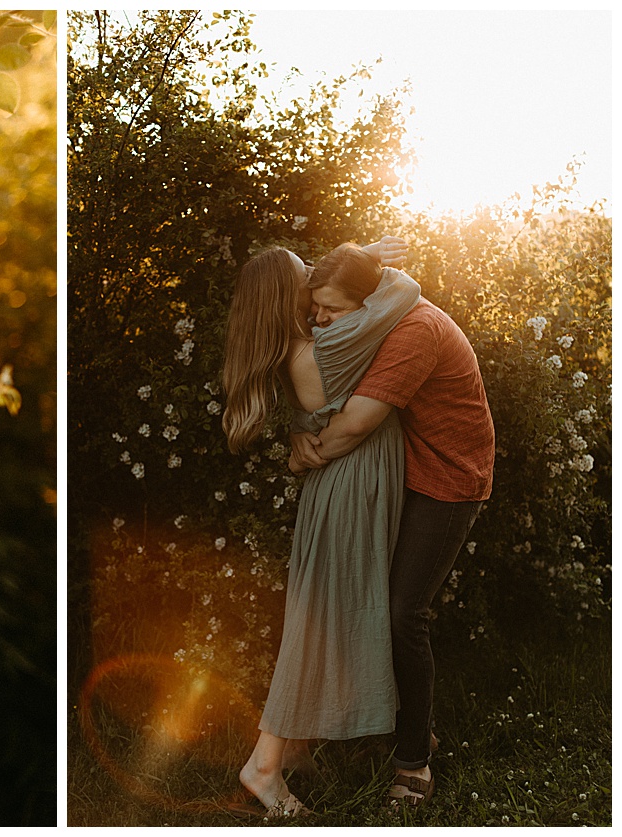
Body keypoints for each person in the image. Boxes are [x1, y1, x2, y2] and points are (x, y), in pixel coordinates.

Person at [289, 242, 495, 808]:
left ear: (368, 304)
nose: (320, 319)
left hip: (447, 480)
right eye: (315, 309)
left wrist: (301, 457)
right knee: (372, 598)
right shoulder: (380, 317)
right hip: (406, 467)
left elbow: (355, 423)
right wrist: (296, 428)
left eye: (330, 308)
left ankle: (414, 764)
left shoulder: (413, 332)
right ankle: (396, 726)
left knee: (405, 611)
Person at [220, 239, 416, 817]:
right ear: (289, 295)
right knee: (318, 625)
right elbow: (402, 291)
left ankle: (297, 748)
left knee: (322, 618)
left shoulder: (302, 348)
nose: (314, 282)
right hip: (353, 485)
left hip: (341, 484)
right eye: (306, 274)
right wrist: (361, 258)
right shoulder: (328, 344)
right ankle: (263, 765)